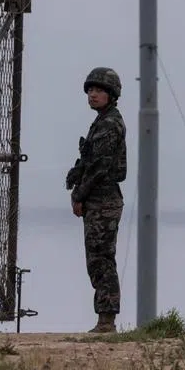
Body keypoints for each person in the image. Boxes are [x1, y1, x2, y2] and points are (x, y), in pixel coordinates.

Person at [65, 66, 128, 333]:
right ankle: (104, 318)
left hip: (103, 199)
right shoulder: (101, 122)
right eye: (91, 90)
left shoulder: (110, 123)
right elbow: (90, 161)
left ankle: (106, 319)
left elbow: (100, 165)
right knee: (97, 259)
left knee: (101, 259)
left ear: (111, 94)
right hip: (98, 199)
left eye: (99, 90)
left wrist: (79, 193)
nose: (93, 94)